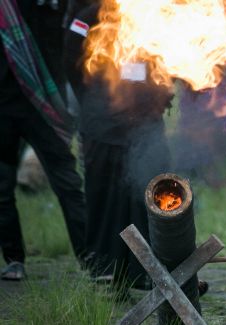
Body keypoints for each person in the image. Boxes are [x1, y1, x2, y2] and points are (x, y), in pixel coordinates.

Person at [64, 3, 172, 289]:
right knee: (104, 196)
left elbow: (170, 65)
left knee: (149, 195)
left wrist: (156, 103)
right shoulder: (87, 18)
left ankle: (151, 271)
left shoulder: (157, 16)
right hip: (103, 126)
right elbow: (70, 59)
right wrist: (93, 100)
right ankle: (106, 268)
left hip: (146, 125)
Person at [0, 0, 87, 281]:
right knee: (2, 187)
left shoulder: (58, 5)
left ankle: (91, 259)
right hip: (3, 105)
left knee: (68, 184)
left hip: (45, 106)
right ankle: (14, 259)